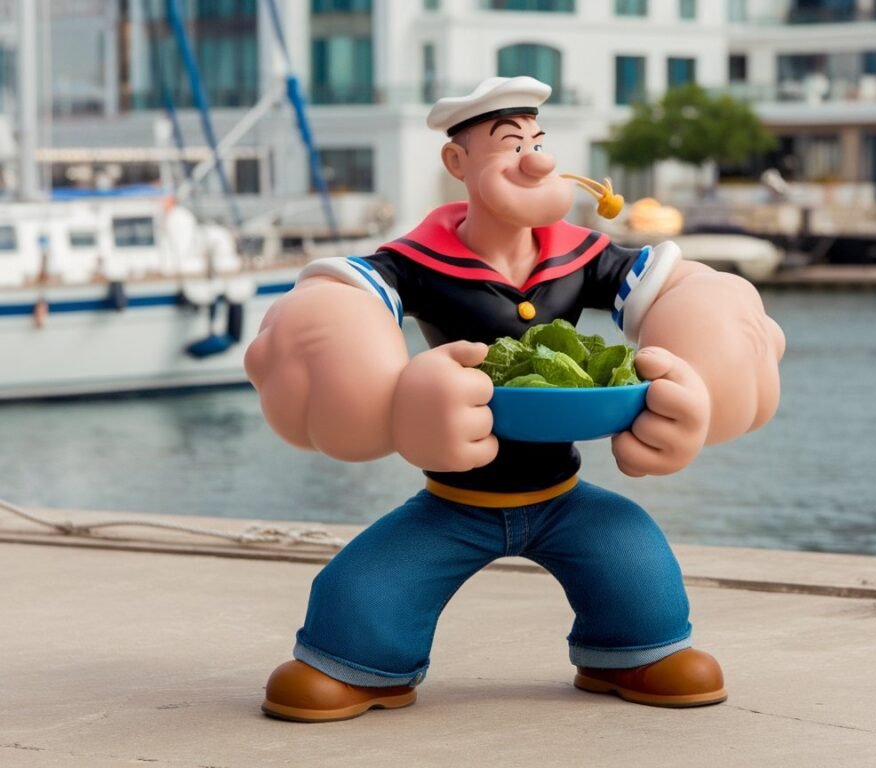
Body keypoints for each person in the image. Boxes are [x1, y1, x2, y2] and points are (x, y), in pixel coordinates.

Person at [246, 77, 785, 722]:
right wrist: (392, 405)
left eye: (537, 139)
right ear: (457, 163)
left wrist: (698, 386)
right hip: (455, 497)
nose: (537, 160)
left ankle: (631, 650)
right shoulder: (418, 261)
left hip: (562, 494)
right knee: (360, 598)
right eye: (511, 145)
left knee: (637, 563)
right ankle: (362, 663)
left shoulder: (580, 255)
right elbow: (347, 294)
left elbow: (666, 286)